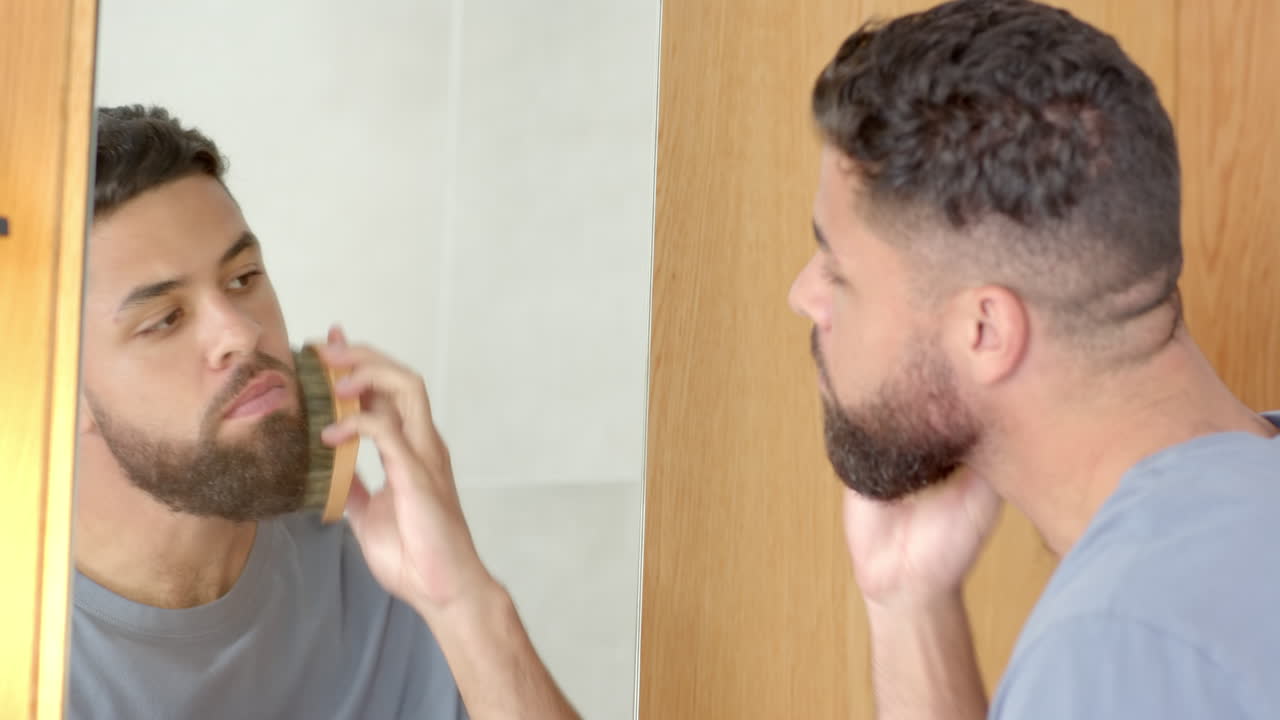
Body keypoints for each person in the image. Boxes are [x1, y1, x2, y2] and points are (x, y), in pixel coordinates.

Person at [788, 0, 1280, 717]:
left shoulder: (1122, 646)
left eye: (838, 268)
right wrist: (909, 603)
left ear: (985, 329)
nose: (804, 296)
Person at [71, 104, 579, 719]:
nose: (242, 329)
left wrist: (464, 604)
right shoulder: (30, 654)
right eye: (166, 319)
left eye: (242, 278)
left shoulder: (372, 558)